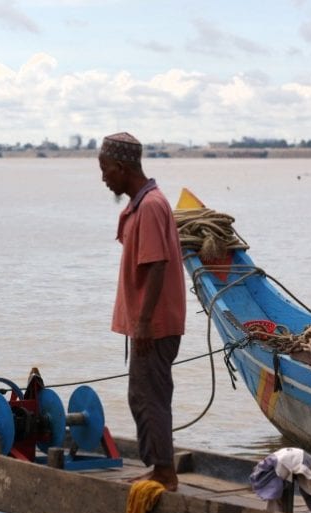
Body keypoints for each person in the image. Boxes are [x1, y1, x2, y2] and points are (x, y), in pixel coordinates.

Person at [99, 132, 187, 491]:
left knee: (148, 395)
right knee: (145, 393)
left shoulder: (150, 206)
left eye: (105, 169)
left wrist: (145, 323)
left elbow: (156, 265)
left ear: (121, 167)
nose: (104, 178)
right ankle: (159, 466)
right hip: (150, 323)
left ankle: (165, 473)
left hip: (155, 325)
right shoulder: (145, 203)